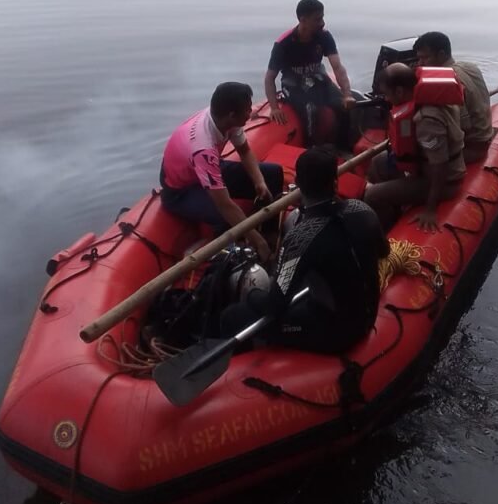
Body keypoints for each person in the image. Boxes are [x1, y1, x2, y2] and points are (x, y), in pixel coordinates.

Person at [219, 148, 389, 354]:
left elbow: (274, 305)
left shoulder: (300, 237)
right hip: (366, 314)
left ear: (298, 183)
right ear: (335, 181)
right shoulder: (362, 210)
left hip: (336, 333)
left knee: (232, 316)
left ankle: (242, 370)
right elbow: (383, 252)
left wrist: (251, 294)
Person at [160, 82, 283, 263]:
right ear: (232, 115)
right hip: (182, 189)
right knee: (223, 217)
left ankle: (271, 234)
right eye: (247, 111)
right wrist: (258, 242)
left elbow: (245, 151)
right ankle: (232, 259)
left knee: (272, 174)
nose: (251, 114)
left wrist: (259, 181)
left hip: (207, 167)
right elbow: (224, 205)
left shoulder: (226, 120)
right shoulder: (203, 147)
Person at [364, 62, 465, 232]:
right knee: (376, 163)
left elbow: (440, 166)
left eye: (387, 94)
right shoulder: (425, 98)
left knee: (371, 195)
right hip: (422, 167)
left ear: (399, 91)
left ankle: (386, 235)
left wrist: (430, 209)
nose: (386, 99)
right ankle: (395, 208)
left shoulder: (426, 120)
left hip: (443, 182)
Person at [264, 0, 355, 150]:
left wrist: (346, 94)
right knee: (311, 109)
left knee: (343, 106)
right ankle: (310, 149)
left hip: (317, 77)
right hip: (293, 83)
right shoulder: (283, 44)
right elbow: (269, 78)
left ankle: (342, 148)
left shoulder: (324, 36)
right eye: (317, 19)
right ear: (303, 19)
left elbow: (338, 67)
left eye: (323, 17)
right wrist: (274, 108)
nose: (322, 23)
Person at [413, 31, 493, 163]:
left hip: (471, 147)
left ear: (441, 54)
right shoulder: (470, 67)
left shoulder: (445, 85)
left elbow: (462, 127)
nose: (419, 64)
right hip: (484, 136)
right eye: (419, 58)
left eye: (425, 58)